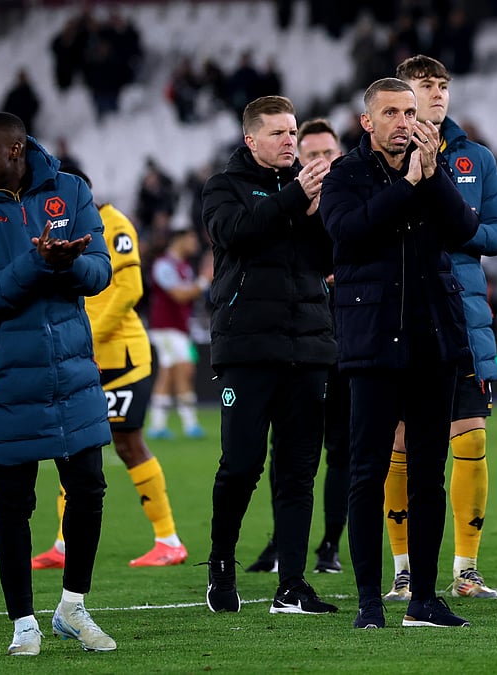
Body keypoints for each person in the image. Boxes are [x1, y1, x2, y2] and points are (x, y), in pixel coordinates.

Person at [0, 112, 116, 655]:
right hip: (5, 377)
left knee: (88, 489)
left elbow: (101, 270)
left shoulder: (70, 190)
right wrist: (41, 263)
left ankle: (73, 607)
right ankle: (23, 623)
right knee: (12, 504)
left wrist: (66, 265)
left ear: (15, 149)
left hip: (72, 371)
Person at [319, 77, 479, 629]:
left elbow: (465, 229)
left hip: (433, 342)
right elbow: (348, 232)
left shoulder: (431, 169)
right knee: (368, 472)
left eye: (409, 111)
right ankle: (369, 601)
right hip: (372, 345)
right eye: (390, 112)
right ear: (367, 122)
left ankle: (424, 599)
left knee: (428, 474)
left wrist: (430, 180)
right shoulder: (346, 175)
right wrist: (408, 186)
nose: (403, 121)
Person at [378, 55, 497, 603]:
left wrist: (455, 230)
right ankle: (405, 570)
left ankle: (465, 569)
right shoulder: (378, 157)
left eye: (442, 86)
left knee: (472, 435)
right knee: (401, 442)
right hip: (400, 315)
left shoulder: (476, 159)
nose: (436, 94)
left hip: (462, 318)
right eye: (424, 86)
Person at [200, 96, 338, 616]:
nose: (289, 141)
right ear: (250, 139)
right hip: (247, 347)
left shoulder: (310, 188)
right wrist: (292, 201)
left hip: (308, 345)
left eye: (293, 131)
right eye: (279, 133)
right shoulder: (224, 187)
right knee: (240, 465)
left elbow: (326, 259)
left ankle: (292, 586)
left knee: (299, 470)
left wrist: (319, 214)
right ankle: (220, 566)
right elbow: (234, 234)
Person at [30, 165, 188, 572]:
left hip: (121, 358)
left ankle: (168, 539)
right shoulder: (59, 230)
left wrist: (87, 336)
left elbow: (130, 290)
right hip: (81, 358)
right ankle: (64, 545)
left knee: (128, 443)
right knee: (70, 447)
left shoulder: (114, 223)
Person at [244, 117, 351, 576]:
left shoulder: (351, 201)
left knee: (341, 449)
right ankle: (282, 542)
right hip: (296, 342)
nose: (321, 162)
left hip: (345, 338)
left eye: (329, 153)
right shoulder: (285, 205)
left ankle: (329, 544)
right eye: (312, 155)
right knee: (285, 450)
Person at [145, 222, 210, 440]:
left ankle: (158, 424)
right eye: (191, 239)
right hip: (166, 329)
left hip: (180, 329)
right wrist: (203, 281)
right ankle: (188, 423)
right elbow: (180, 296)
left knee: (174, 372)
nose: (194, 244)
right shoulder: (164, 266)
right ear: (179, 240)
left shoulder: (184, 266)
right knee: (180, 370)